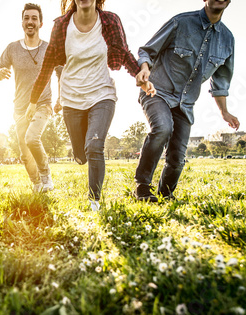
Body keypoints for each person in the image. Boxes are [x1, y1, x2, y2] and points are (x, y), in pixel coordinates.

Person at [29, 0, 156, 211]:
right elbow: (48, 64)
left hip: (102, 94)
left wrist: (139, 76)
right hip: (72, 99)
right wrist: (33, 101)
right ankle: (83, 155)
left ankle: (94, 202)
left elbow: (123, 53)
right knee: (81, 155)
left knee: (95, 146)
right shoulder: (62, 25)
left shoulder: (110, 21)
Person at [134, 0, 238, 202]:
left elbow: (221, 83)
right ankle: (142, 187)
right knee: (162, 128)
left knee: (178, 157)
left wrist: (224, 112)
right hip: (158, 91)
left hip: (186, 103)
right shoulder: (180, 23)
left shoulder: (227, 40)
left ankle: (165, 193)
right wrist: (144, 69)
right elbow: (147, 50)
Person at [0, 3, 57, 193]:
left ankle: (46, 177)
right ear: (22, 22)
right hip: (20, 107)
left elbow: (62, 73)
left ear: (41, 23)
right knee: (24, 153)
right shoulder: (12, 48)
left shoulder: (50, 48)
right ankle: (37, 183)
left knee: (32, 138)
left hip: (43, 104)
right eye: (27, 18)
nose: (30, 22)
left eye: (34, 18)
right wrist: (0, 72)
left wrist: (61, 98)